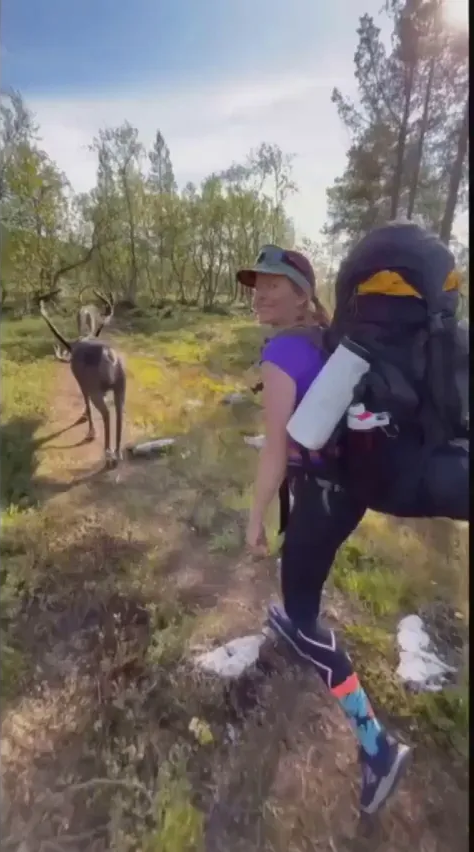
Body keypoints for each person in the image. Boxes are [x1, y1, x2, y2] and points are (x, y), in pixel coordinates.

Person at [236, 244, 411, 816]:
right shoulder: (328, 341)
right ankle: (295, 613)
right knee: (303, 581)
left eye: (274, 284)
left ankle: (378, 749)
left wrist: (255, 515)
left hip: (324, 498)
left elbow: (277, 453)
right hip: (347, 494)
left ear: (303, 294)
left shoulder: (283, 350)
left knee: (306, 613)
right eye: (255, 284)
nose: (260, 293)